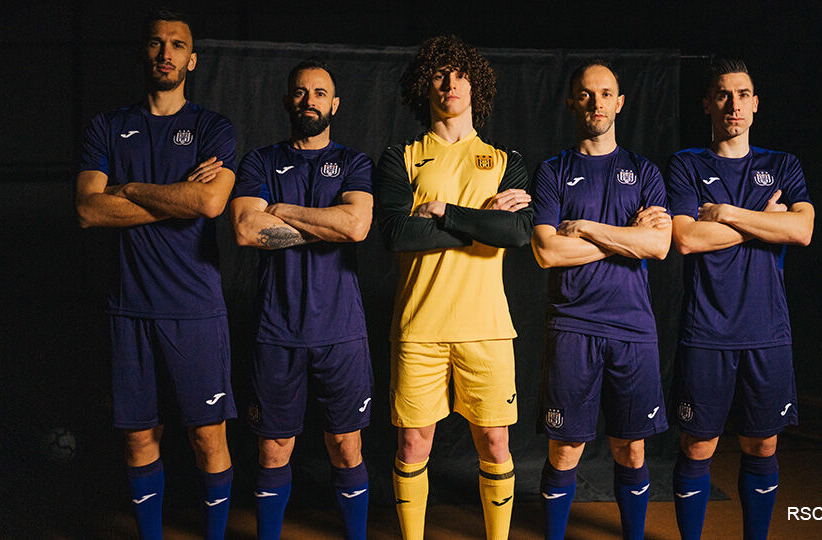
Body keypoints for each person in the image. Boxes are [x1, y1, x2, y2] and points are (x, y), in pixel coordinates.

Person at [74, 8, 237, 540]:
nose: (166, 53)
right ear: (143, 53)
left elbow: (209, 202)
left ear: (192, 60)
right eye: (156, 43)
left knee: (207, 437)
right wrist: (176, 198)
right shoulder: (107, 126)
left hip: (195, 310)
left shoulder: (212, 127)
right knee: (138, 438)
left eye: (177, 45)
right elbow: (88, 209)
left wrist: (128, 189)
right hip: (129, 309)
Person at [374, 35, 533, 540]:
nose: (449, 83)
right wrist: (482, 222)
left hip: (487, 329)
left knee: (495, 444)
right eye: (440, 75)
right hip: (419, 328)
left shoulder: (504, 160)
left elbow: (517, 232)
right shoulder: (401, 156)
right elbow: (397, 234)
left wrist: (443, 212)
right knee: (412, 446)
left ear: (474, 85)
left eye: (460, 74)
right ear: (425, 87)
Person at [665, 58, 815, 540]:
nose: (734, 104)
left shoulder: (782, 164)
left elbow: (803, 229)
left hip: (767, 331)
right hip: (706, 331)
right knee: (697, 446)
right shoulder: (687, 164)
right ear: (708, 104)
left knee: (762, 445)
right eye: (724, 95)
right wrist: (765, 222)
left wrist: (728, 213)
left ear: (756, 104)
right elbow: (686, 239)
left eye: (743, 94)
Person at [229, 59, 374, 540]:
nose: (309, 100)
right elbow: (247, 230)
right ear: (287, 100)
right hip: (277, 330)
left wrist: (283, 210)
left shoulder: (353, 162)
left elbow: (356, 227)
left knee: (346, 447)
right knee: (273, 451)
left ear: (334, 104)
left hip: (341, 331)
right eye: (300, 91)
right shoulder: (259, 161)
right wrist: (327, 224)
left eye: (319, 93)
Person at [531, 60, 672, 540]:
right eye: (587, 94)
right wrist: (627, 236)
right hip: (572, 327)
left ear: (620, 102)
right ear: (572, 102)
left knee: (631, 449)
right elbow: (548, 252)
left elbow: (659, 245)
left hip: (633, 328)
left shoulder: (644, 171)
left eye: (606, 93)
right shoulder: (553, 170)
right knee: (565, 450)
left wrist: (589, 229)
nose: (597, 102)